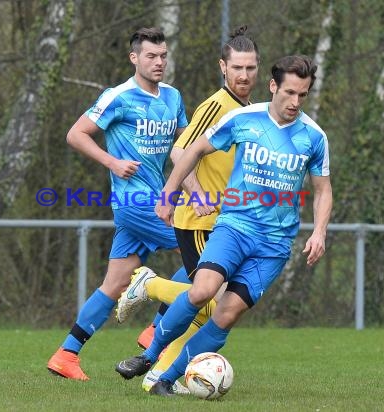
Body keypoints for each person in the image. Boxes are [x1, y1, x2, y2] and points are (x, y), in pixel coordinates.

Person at [115, 54, 333, 396]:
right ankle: (149, 354)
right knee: (202, 291)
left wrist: (319, 231)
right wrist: (170, 192)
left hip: (274, 246)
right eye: (289, 92)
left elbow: (323, 189)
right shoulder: (244, 118)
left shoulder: (314, 137)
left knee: (227, 314)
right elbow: (193, 148)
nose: (295, 102)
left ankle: (166, 379)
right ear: (273, 86)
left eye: (302, 95)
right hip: (234, 226)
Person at [114, 26, 260, 392]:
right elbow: (181, 150)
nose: (244, 75)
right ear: (223, 67)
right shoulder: (216, 105)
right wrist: (192, 191)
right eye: (237, 68)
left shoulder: (249, 110)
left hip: (228, 222)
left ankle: (161, 371)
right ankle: (150, 286)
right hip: (199, 220)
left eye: (251, 68)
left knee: (208, 304)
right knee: (207, 301)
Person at [46, 27, 188, 381]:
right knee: (202, 251)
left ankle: (66, 354)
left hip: (158, 198)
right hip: (134, 202)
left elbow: (182, 152)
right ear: (134, 58)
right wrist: (112, 162)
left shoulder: (173, 97)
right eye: (151, 56)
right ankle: (158, 328)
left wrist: (192, 191)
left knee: (114, 282)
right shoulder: (118, 96)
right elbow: (75, 134)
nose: (159, 62)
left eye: (163, 56)